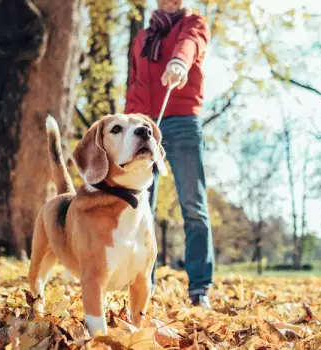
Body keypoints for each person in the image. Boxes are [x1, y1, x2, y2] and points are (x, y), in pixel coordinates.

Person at [125, 0, 214, 308]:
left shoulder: (193, 23)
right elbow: (135, 82)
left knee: (193, 205)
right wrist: (126, 123)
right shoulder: (142, 37)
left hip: (181, 121)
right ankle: (141, 285)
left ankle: (199, 287)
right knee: (138, 209)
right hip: (141, 125)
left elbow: (190, 44)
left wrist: (179, 63)